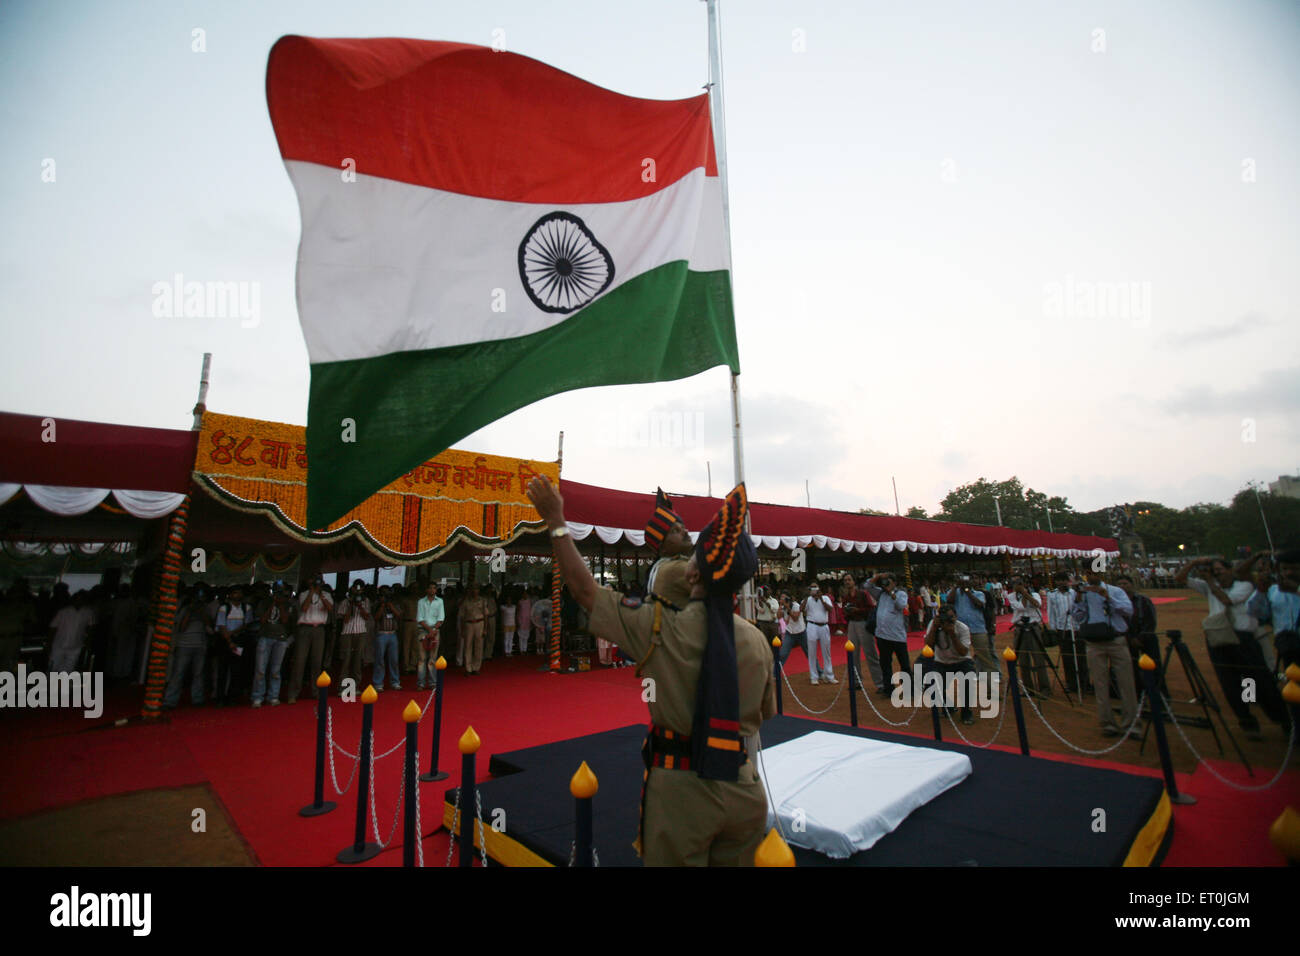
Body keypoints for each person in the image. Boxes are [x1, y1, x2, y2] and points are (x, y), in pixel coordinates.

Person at [527, 474, 774, 866]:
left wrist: (556, 520)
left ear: (693, 574)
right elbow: (764, 715)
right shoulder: (757, 640)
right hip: (745, 788)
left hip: (683, 790)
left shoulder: (661, 626)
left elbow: (585, 592)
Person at [1176, 556, 1289, 739]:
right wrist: (1194, 563)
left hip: (1242, 637)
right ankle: (1247, 720)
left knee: (1258, 679)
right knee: (1229, 682)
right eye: (1214, 571)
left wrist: (1211, 582)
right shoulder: (1210, 585)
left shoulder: (1243, 586)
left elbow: (1227, 600)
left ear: (1231, 570)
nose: (1217, 573)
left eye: (1220, 569)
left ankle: (1281, 719)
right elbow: (1180, 579)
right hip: (1219, 636)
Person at [1072, 569, 1136, 738]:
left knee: (1126, 683)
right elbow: (1077, 617)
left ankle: (1131, 724)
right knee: (1100, 685)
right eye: (1087, 573)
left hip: (1115, 639)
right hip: (1094, 642)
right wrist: (1078, 600)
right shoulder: (1083, 593)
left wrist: (1107, 597)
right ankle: (1107, 723)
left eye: (1094, 573)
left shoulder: (1115, 591)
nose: (1091, 577)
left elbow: (1128, 610)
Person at [922, 604, 976, 724]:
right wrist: (935, 628)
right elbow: (928, 645)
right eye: (944, 617)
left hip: (962, 661)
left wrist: (952, 634)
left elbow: (963, 652)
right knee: (929, 685)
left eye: (950, 617)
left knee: (967, 680)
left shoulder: (962, 628)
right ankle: (948, 706)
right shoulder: (934, 624)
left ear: (956, 616)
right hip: (941, 662)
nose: (947, 620)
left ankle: (967, 712)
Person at [288, 576, 333, 704]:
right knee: (299, 662)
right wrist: (312, 592)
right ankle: (293, 693)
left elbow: (329, 608)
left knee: (317, 662)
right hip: (305, 629)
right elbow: (304, 608)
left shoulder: (326, 595)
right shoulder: (304, 594)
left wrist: (321, 595)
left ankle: (316, 691)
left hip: (319, 629)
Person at [164, 586, 210, 708]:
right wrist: (190, 612)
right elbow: (181, 627)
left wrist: (201, 612)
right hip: (184, 644)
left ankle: (197, 699)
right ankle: (170, 700)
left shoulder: (205, 609)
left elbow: (210, 625)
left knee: (198, 674)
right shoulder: (185, 609)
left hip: (200, 645)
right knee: (178, 673)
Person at [251, 584, 295, 707]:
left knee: (275, 670)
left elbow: (285, 620)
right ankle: (257, 697)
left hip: (280, 638)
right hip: (265, 637)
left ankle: (273, 696)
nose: (280, 595)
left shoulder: (287, 604)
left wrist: (280, 605)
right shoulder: (264, 602)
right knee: (260, 669)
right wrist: (272, 604)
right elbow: (262, 620)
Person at [866, 572, 909, 695]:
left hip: (897, 636)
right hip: (882, 635)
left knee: (904, 664)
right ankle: (889, 689)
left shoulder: (901, 594)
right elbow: (867, 586)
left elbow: (901, 606)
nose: (885, 584)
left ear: (895, 583)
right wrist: (878, 576)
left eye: (888, 581)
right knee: (885, 664)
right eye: (885, 582)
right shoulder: (880, 593)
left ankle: (907, 689)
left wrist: (891, 592)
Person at [1046, 572, 1088, 695]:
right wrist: (1054, 628)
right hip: (1062, 628)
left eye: (1063, 580)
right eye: (1058, 581)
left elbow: (1082, 608)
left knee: (1081, 657)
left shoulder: (1074, 593)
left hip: (1076, 627)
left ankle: (1084, 683)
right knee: (1067, 657)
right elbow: (1051, 612)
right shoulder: (1052, 595)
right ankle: (1071, 683)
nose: (1061, 583)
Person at [1007, 577, 1049, 698]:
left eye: (1020, 583)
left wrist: (1025, 593)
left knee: (1038, 658)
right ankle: (1028, 688)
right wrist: (1023, 594)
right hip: (1019, 628)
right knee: (1023, 660)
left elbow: (1037, 605)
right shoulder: (1011, 597)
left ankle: (1044, 688)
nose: (1018, 586)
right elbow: (1021, 607)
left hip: (1033, 627)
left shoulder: (1034, 594)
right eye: (1016, 584)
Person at [843, 576, 884, 693]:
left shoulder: (863, 594)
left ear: (854, 582)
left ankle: (880, 683)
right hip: (852, 623)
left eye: (849, 580)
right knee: (853, 654)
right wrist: (848, 612)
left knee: (870, 653)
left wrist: (858, 610)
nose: (847, 582)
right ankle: (856, 682)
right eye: (845, 580)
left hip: (862, 622)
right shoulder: (846, 597)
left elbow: (871, 608)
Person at [212, 586, 252, 706]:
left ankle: (232, 697)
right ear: (230, 595)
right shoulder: (224, 608)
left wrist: (233, 634)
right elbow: (221, 626)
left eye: (239, 593)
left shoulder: (246, 608)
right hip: (225, 641)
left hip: (239, 640)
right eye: (235, 593)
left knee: (236, 671)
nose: (237, 595)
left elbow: (247, 624)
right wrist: (229, 640)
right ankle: (220, 698)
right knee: (222, 671)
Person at [947, 577, 993, 676]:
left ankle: (990, 684)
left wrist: (968, 592)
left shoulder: (979, 594)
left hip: (977, 628)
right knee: (961, 656)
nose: (964, 583)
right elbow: (949, 600)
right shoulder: (955, 593)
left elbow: (979, 604)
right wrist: (956, 587)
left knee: (984, 656)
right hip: (961, 630)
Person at [802, 582, 836, 685]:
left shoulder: (825, 598)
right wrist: (807, 596)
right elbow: (801, 609)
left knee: (826, 651)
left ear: (819, 589)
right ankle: (814, 676)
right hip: (812, 625)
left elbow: (830, 609)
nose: (814, 590)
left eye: (815, 588)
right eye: (812, 588)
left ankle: (829, 675)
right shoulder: (807, 599)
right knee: (811, 652)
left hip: (824, 625)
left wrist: (821, 598)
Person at [373, 586, 404, 691]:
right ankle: (378, 683)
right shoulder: (377, 604)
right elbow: (376, 618)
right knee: (379, 659)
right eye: (383, 594)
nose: (386, 596)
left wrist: (390, 606)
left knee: (394, 660)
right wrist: (382, 606)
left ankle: (395, 682)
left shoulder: (394, 603)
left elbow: (399, 615)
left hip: (393, 634)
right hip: (381, 634)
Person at [416, 582, 445, 688]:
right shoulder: (421, 602)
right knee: (422, 658)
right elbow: (420, 618)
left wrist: (433, 630)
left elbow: (441, 618)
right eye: (430, 588)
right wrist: (429, 630)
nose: (432, 590)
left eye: (434, 588)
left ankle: (432, 682)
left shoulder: (440, 601)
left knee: (433, 657)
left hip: (435, 631)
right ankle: (421, 683)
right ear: (426, 590)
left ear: (436, 590)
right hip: (423, 631)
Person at [459, 582, 489, 675]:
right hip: (469, 623)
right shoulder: (466, 601)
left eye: (476, 589)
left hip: (479, 623)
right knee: (468, 646)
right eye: (473, 589)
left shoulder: (482, 601)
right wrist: (462, 629)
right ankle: (468, 667)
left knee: (478, 646)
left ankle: (476, 667)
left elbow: (486, 615)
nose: (474, 591)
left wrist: (485, 629)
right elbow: (462, 616)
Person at [517, 587, 533, 655]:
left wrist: (532, 620)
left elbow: (531, 610)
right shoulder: (520, 602)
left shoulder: (529, 601)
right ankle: (521, 649)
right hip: (521, 619)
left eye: (526, 594)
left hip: (528, 620)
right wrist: (517, 620)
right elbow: (517, 611)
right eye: (524, 594)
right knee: (521, 635)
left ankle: (525, 649)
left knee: (526, 635)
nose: (525, 595)